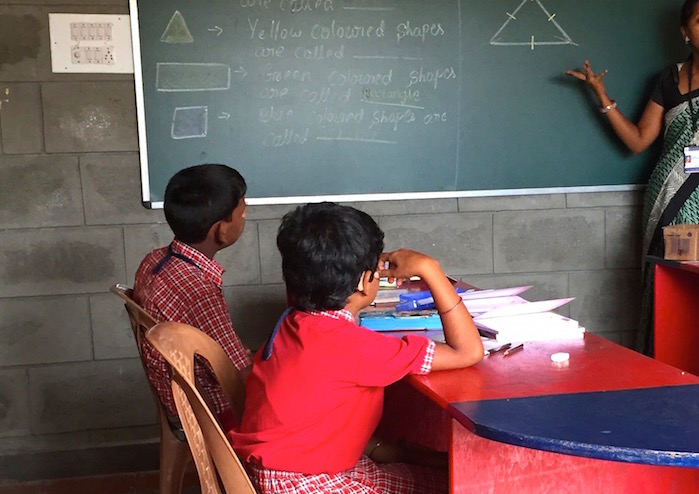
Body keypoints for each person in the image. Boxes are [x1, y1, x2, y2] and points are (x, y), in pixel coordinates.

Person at [566, 0, 699, 354]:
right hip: (667, 201)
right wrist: (602, 96)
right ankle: (666, 369)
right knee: (667, 295)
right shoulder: (668, 79)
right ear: (685, 32)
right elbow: (639, 141)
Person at [230, 203, 484, 494]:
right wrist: (430, 269)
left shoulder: (288, 324)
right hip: (312, 482)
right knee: (462, 485)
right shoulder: (360, 348)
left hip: (279, 472)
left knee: (437, 473)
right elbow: (468, 351)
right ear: (366, 281)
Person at [133, 163, 252, 429]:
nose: (245, 218)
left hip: (179, 396)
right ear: (221, 230)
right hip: (210, 409)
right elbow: (234, 376)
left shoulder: (154, 260)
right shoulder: (199, 291)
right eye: (242, 215)